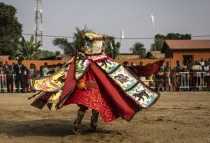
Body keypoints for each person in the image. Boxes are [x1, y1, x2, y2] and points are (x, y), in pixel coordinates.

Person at [30, 32, 160, 135]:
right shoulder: (81, 57)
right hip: (85, 83)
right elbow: (75, 72)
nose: (98, 45)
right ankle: (77, 125)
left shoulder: (102, 57)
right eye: (96, 42)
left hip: (98, 85)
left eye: (99, 42)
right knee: (84, 105)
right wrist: (82, 83)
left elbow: (114, 69)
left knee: (97, 104)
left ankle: (93, 125)